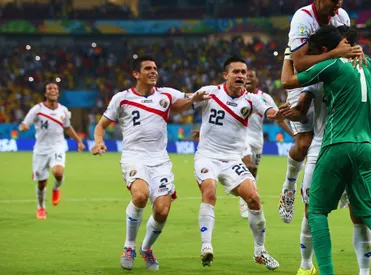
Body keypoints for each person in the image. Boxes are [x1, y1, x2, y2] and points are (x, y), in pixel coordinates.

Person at [280, 25, 371, 275]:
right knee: (370, 213)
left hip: (336, 144)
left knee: (315, 211)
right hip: (365, 146)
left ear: (325, 50)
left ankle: (324, 271)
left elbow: (287, 81)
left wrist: (290, 55)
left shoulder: (330, 66)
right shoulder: (367, 64)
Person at [91, 56, 209, 271]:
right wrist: (98, 142)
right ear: (137, 74)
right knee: (140, 195)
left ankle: (146, 249)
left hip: (160, 160)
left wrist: (196, 97)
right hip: (134, 156)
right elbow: (101, 125)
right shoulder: (122, 98)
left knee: (162, 210)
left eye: (155, 68)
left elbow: (185, 102)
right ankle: (129, 246)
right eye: (148, 69)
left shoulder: (166, 94)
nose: (153, 71)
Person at [193, 56, 283, 270]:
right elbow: (190, 102)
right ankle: (206, 247)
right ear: (226, 75)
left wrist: (282, 112)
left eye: (243, 72)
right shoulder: (211, 92)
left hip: (232, 159)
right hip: (207, 156)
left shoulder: (252, 100)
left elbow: (270, 113)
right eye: (236, 72)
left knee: (253, 198)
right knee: (209, 191)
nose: (241, 75)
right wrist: (193, 99)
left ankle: (260, 251)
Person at [279, 0, 361, 224]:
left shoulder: (341, 15)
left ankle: (340, 182)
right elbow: (301, 62)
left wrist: (356, 50)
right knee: (304, 143)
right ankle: (289, 185)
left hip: (331, 74)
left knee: (337, 129)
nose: (338, 6)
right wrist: (335, 53)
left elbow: (348, 44)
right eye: (334, 2)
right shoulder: (302, 18)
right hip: (303, 77)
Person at [19, 82, 85, 220]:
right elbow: (25, 123)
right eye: (50, 88)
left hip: (58, 146)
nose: (53, 90)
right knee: (42, 183)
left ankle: (56, 188)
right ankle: (41, 207)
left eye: (55, 88)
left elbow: (67, 127)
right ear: (45, 93)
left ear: (58, 93)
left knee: (58, 173)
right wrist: (23, 127)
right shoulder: (37, 109)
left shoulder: (64, 110)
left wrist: (78, 141)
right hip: (41, 150)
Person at [239, 69, 294, 218]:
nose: (248, 78)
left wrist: (293, 134)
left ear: (257, 80)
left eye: (251, 76)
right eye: (246, 76)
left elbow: (278, 118)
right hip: (243, 138)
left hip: (257, 139)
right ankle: (244, 202)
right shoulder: (238, 96)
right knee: (248, 165)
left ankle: (250, 197)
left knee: (254, 172)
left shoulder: (264, 98)